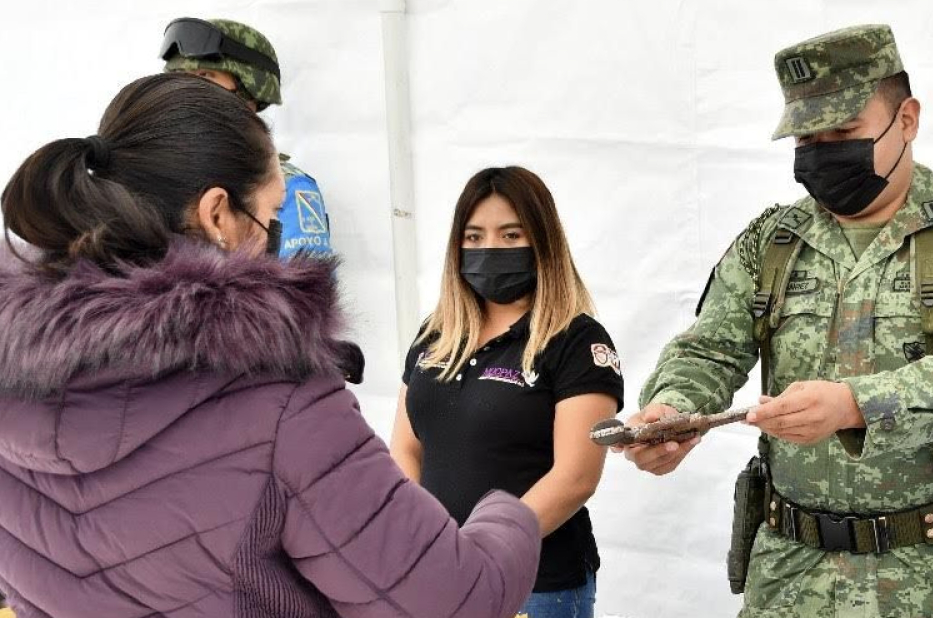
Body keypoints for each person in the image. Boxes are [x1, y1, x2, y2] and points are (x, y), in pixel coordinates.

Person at [0, 73, 539, 618]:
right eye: (274, 214)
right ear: (217, 215)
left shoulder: (12, 379)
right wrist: (507, 511)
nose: (278, 236)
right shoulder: (277, 402)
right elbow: (454, 601)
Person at [627, 23, 933, 616]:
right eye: (808, 138)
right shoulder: (772, 241)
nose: (825, 153)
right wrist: (672, 409)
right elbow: (709, 349)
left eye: (846, 131)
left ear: (907, 119)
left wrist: (855, 404)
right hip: (791, 580)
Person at [390, 166, 622, 618]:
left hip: (534, 587)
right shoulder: (435, 335)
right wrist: (421, 543)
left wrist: (484, 551)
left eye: (510, 235)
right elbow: (405, 447)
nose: (489, 248)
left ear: (542, 240)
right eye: (474, 237)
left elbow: (576, 477)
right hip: (437, 579)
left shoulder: (575, 341)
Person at [160, 17, 334, 259]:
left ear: (248, 89)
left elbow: (305, 289)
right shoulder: (157, 170)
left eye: (205, 75)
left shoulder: (286, 188)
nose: (188, 89)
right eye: (180, 77)